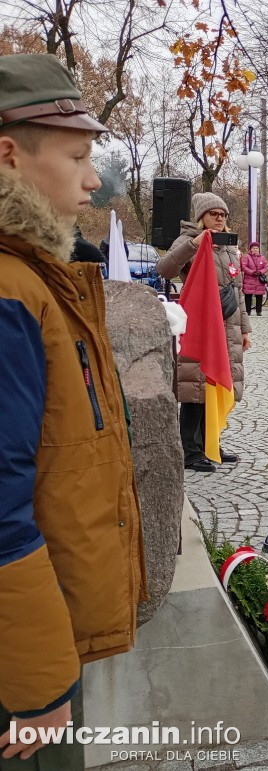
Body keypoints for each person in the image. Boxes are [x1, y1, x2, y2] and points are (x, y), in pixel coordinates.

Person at [0, 53, 146, 768]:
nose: (94, 178)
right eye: (79, 155)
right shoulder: (7, 292)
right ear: (9, 155)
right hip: (20, 662)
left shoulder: (30, 276)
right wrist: (36, 686)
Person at [157, 191, 251, 473]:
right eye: (214, 214)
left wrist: (245, 329)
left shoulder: (228, 247)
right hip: (201, 324)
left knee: (218, 383)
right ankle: (191, 450)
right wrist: (192, 246)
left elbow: (239, 292)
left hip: (228, 325)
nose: (220, 219)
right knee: (196, 389)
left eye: (223, 215)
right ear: (201, 217)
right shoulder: (189, 241)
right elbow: (165, 269)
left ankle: (211, 442)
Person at [242, 241, 268, 317]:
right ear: (251, 249)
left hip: (259, 280)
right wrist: (252, 272)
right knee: (248, 296)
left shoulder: (262, 257)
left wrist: (260, 272)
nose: (255, 250)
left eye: (257, 248)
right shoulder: (247, 257)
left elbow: (266, 266)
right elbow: (244, 267)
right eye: (254, 248)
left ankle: (259, 311)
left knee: (259, 296)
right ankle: (248, 311)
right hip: (249, 279)